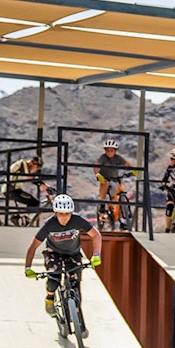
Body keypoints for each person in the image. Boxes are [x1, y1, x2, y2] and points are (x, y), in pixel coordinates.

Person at [23, 194, 102, 331]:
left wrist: (96, 255)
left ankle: (79, 321)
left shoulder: (77, 220)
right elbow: (33, 246)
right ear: (55, 213)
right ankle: (49, 298)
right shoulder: (49, 224)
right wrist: (27, 268)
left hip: (73, 254)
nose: (64, 217)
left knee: (75, 285)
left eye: (67, 214)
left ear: (71, 213)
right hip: (53, 254)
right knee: (54, 279)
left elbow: (96, 235)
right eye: (60, 214)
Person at [93, 138, 133, 216]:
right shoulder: (103, 157)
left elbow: (128, 165)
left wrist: (134, 170)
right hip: (105, 179)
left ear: (115, 151)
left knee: (119, 193)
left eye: (111, 150)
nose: (109, 152)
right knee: (105, 184)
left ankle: (122, 216)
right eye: (107, 150)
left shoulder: (118, 158)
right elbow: (96, 166)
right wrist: (98, 174)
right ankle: (102, 203)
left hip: (115, 179)